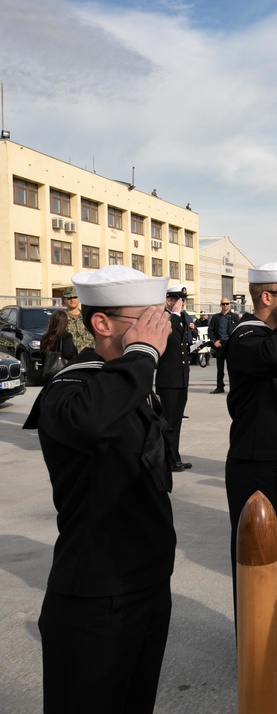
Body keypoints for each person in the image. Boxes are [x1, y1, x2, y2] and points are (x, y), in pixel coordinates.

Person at [23, 266, 174, 713]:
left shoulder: (130, 384)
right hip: (96, 598)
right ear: (101, 324)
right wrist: (143, 353)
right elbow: (91, 422)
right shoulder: (71, 387)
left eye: (160, 320)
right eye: (145, 321)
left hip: (146, 583)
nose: (158, 332)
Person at [224, 262, 277, 683]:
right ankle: (256, 645)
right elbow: (274, 355)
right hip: (253, 463)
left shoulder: (274, 337)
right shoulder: (245, 335)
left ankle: (271, 627)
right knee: (256, 557)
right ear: (265, 297)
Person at [156, 285, 192, 472]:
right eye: (179, 299)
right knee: (168, 422)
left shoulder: (178, 318)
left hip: (180, 379)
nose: (183, 303)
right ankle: (166, 460)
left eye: (184, 300)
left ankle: (174, 457)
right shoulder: (164, 318)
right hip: (168, 380)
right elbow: (169, 337)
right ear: (169, 300)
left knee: (176, 422)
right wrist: (176, 315)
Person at [208, 298, 238, 394]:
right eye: (223, 304)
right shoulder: (216, 317)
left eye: (227, 304)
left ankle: (233, 388)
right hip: (220, 345)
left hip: (230, 346)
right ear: (220, 305)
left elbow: (238, 330)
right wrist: (214, 341)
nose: (225, 305)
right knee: (220, 368)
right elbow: (210, 331)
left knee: (232, 368)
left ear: (229, 304)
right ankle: (220, 386)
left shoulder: (234, 317)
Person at [39, 310, 78, 382]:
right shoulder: (66, 336)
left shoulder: (45, 337)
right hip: (63, 374)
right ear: (64, 323)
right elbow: (68, 354)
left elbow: (43, 357)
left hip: (49, 375)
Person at [61, 285, 95, 352]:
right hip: (68, 358)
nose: (72, 300)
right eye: (69, 298)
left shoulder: (88, 316)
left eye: (75, 297)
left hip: (87, 355)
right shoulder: (60, 318)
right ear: (64, 300)